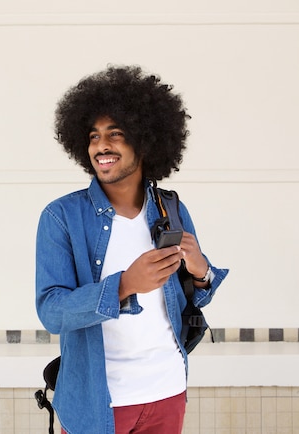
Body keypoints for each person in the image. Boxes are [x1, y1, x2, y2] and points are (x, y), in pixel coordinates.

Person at [35, 65, 228, 434]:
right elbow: (51, 313)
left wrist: (202, 272)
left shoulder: (170, 208)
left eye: (116, 134)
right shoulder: (61, 217)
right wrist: (123, 285)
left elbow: (192, 298)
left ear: (144, 140)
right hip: (98, 403)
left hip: (168, 390)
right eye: (93, 136)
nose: (101, 146)